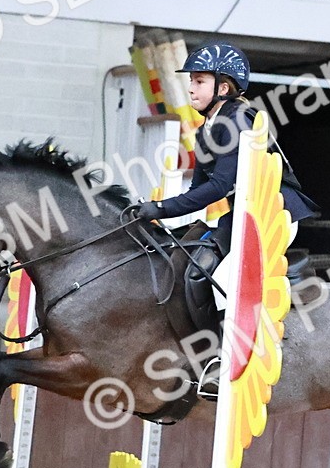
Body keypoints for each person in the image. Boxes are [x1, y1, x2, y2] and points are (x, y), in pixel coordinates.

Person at [135, 41, 319, 314]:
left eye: (198, 81)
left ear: (222, 88)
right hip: (244, 212)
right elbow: (197, 190)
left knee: (220, 279)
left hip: (274, 212)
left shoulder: (238, 120)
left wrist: (161, 208)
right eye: (191, 81)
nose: (190, 88)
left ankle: (224, 351)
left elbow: (219, 186)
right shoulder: (205, 129)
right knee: (190, 257)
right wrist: (159, 215)